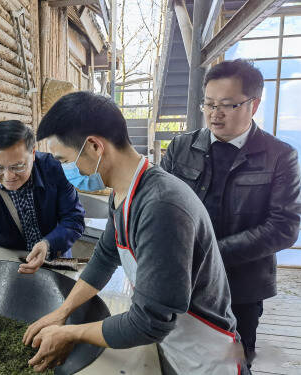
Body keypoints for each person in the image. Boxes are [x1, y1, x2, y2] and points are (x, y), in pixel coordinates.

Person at [23, 91, 245, 374]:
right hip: (174, 344)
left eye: (63, 159)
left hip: (204, 357)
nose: (62, 169)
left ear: (94, 146)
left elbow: (149, 322)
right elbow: (104, 258)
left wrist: (71, 334)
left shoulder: (161, 206)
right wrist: (62, 312)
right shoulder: (123, 192)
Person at [160, 59, 301, 368]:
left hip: (242, 286)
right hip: (183, 280)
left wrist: (210, 254)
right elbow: (159, 207)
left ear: (254, 103)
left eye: (227, 105)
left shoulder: (280, 156)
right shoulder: (180, 147)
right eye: (208, 104)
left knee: (235, 361)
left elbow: (283, 227)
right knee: (179, 357)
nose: (214, 114)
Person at [0, 120, 85, 359]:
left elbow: (74, 220)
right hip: (7, 265)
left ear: (33, 152)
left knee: (59, 316)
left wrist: (48, 243)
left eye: (18, 166)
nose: (8, 177)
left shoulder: (54, 169)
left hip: (56, 258)